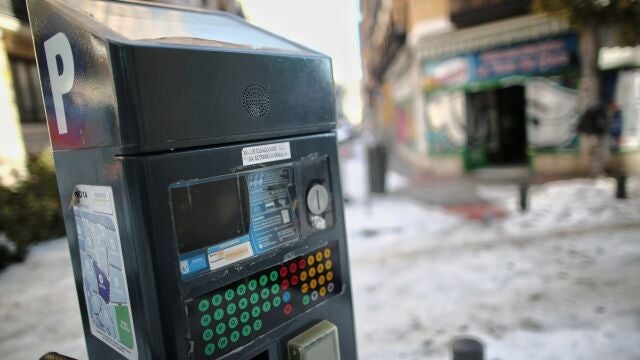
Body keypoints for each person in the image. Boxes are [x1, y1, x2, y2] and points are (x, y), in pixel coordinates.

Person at [577, 102, 609, 177]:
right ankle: (595, 173)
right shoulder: (600, 111)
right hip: (594, 135)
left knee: (593, 154)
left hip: (589, 135)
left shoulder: (591, 111)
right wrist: (602, 132)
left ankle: (594, 172)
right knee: (596, 154)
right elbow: (601, 124)